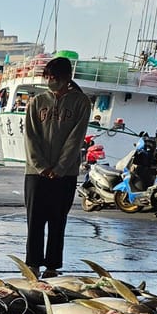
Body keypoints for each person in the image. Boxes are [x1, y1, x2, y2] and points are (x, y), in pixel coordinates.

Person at [23, 56, 91, 279]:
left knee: (58, 220)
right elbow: (30, 136)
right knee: (35, 220)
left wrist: (60, 167)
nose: (51, 80)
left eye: (55, 77)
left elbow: (76, 138)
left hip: (66, 173)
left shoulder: (81, 102)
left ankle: (52, 266)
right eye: (48, 76)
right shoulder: (37, 102)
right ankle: (32, 263)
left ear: (67, 77)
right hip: (35, 173)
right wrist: (41, 166)